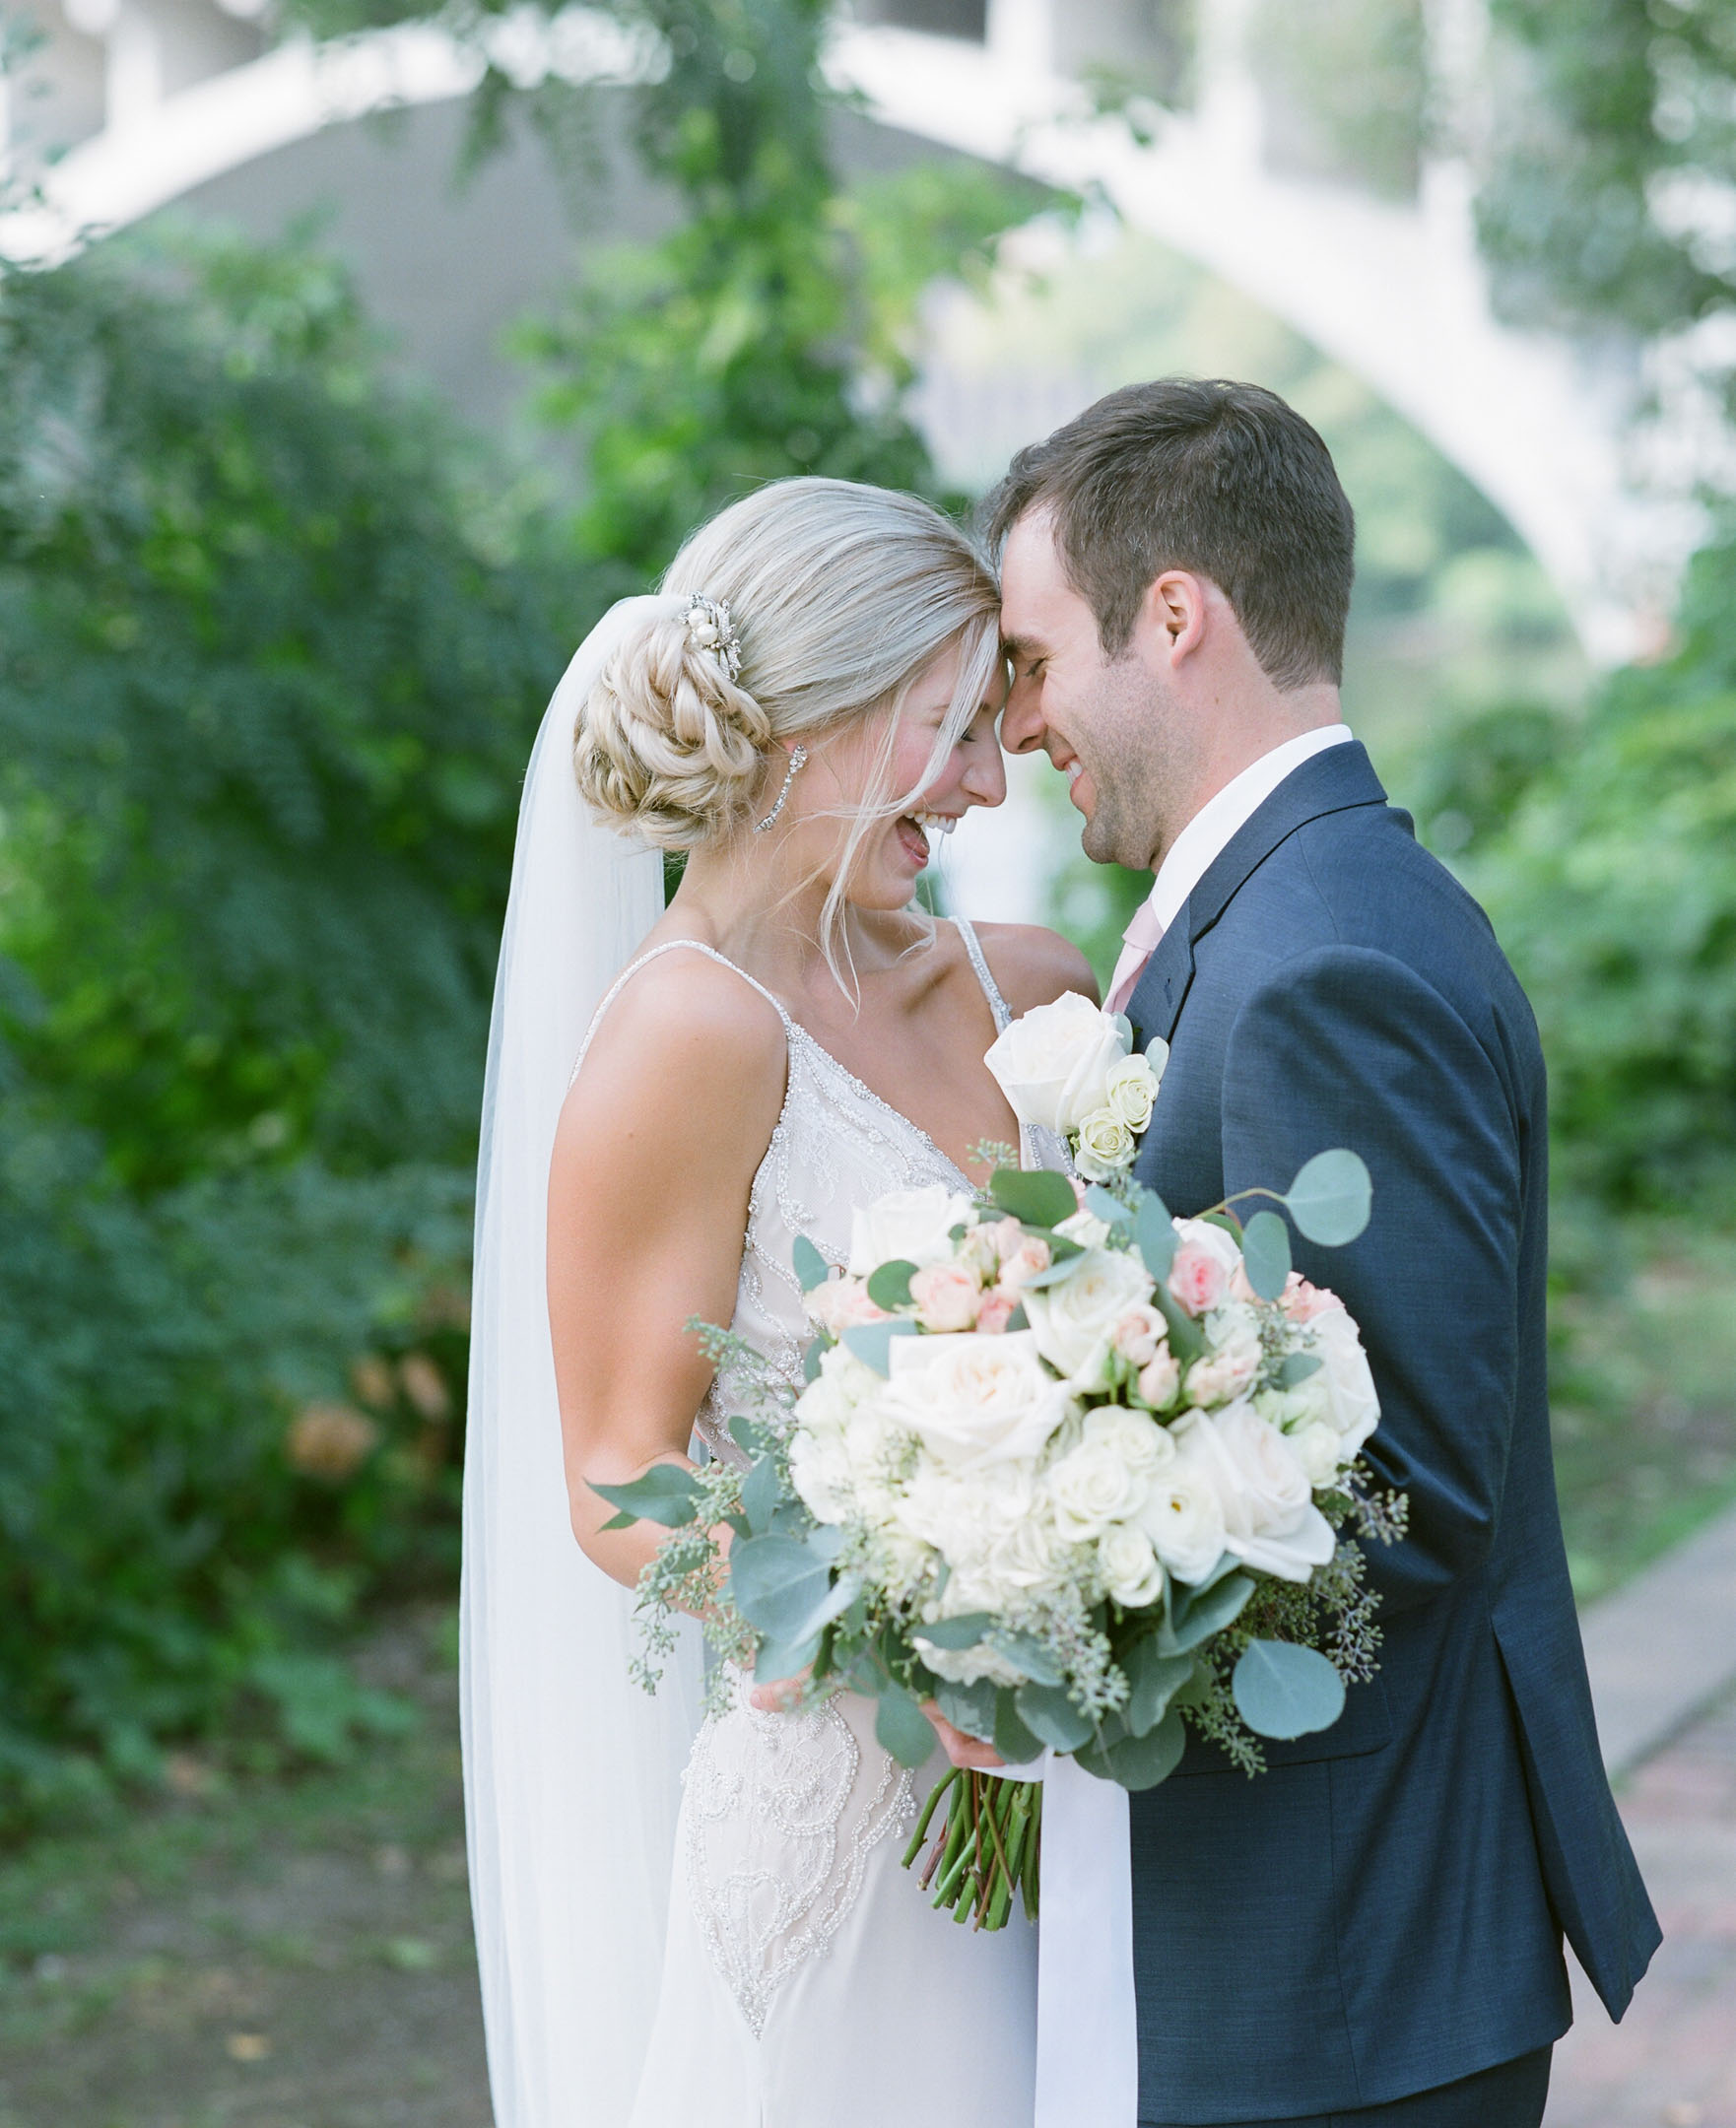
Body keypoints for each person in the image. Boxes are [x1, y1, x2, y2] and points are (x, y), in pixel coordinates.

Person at [986, 376, 1661, 2128]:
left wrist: (1023, 1578)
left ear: (1176, 617)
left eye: (1037, 658)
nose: (1022, 719)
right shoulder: (1276, 907)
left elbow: (1401, 1491)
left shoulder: (1319, 957)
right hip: (1303, 1942)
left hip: (1343, 1961)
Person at [463, 475, 1087, 2128]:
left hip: (1092, 1806)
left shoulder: (1035, 990)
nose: (984, 775)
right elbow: (617, 1489)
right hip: (848, 1814)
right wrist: (916, 1643)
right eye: (949, 723)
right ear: (808, 724)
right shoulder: (689, 1038)